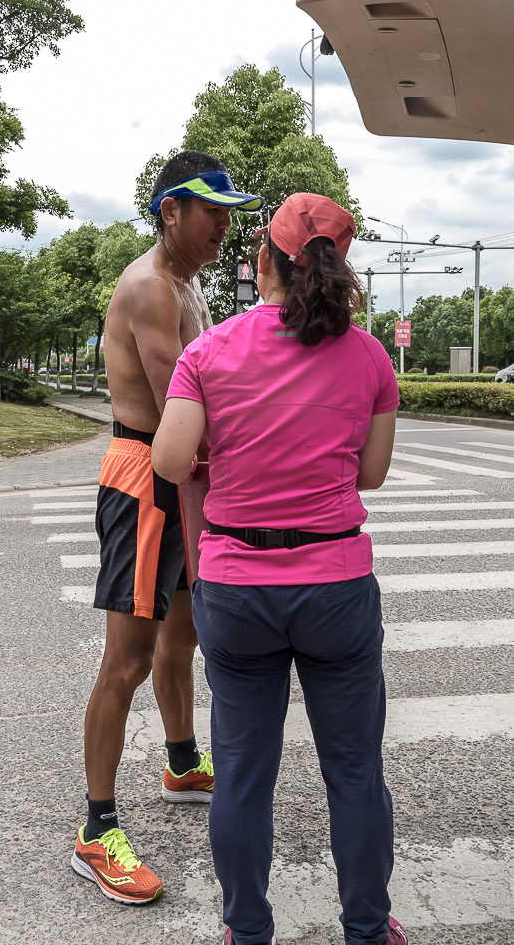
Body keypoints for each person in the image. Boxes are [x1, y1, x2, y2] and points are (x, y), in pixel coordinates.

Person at [152, 192, 407, 945]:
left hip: (235, 586)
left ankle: (247, 929)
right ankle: (365, 928)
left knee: (240, 774)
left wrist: (218, 452)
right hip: (333, 585)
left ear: (262, 259)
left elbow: (169, 460)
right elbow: (372, 474)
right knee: (354, 773)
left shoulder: (210, 351)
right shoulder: (368, 355)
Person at [71, 151, 263, 905]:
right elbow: (181, 402)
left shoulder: (187, 284)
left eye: (228, 210)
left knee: (181, 634)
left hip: (178, 478)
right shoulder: (151, 287)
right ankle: (96, 831)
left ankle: (182, 761)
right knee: (127, 656)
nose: (223, 222)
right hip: (145, 481)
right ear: (168, 211)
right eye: (209, 209)